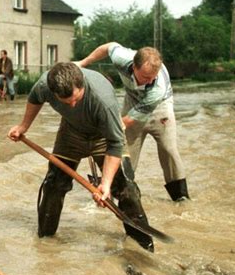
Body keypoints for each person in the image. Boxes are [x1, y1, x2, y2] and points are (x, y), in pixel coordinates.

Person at [8, 62, 154, 252]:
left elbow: (116, 143)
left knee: (127, 189)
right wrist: (23, 126)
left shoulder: (103, 100)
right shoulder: (45, 84)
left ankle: (142, 248)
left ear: (82, 85)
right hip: (72, 133)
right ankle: (45, 244)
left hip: (103, 135)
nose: (73, 105)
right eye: (66, 102)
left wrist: (106, 185)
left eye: (76, 99)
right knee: (53, 185)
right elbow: (35, 98)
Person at [77, 43, 190, 202]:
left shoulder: (158, 88)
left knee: (169, 149)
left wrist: (106, 129)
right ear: (134, 67)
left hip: (160, 109)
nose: (150, 80)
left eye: (153, 76)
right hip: (131, 101)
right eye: (145, 76)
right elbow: (109, 47)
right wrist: (83, 63)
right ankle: (118, 193)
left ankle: (180, 197)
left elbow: (128, 120)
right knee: (123, 151)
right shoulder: (122, 58)